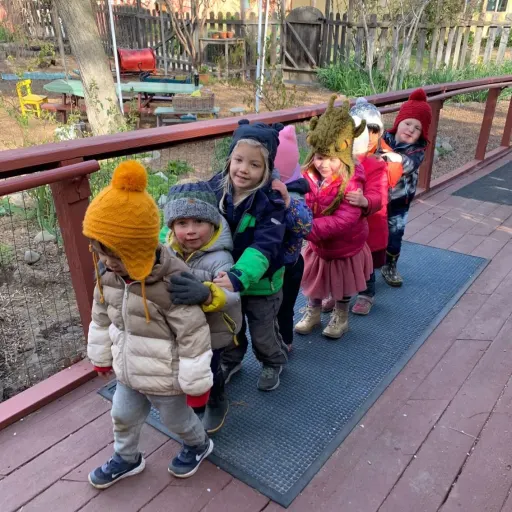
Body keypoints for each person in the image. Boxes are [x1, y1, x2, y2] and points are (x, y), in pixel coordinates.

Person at [84, 161, 214, 489]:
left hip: (166, 376)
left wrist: (196, 386)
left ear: (139, 248)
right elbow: (100, 315)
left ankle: (198, 444)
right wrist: (101, 356)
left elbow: (193, 334)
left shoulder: (171, 283)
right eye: (101, 251)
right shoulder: (109, 275)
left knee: (177, 420)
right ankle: (127, 458)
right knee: (122, 416)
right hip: (129, 370)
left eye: (117, 254)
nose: (109, 261)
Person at [209, 119, 288, 392]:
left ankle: (273, 360)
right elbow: (188, 211)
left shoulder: (271, 203)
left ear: (267, 170)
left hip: (261, 283)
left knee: (262, 331)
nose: (243, 169)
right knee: (230, 326)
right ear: (230, 159)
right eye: (238, 160)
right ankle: (232, 359)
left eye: (254, 165)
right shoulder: (216, 190)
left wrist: (239, 276)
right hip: (226, 279)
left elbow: (265, 245)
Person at [161, 179, 242, 435]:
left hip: (214, 327)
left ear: (213, 223)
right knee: (185, 363)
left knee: (209, 365)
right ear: (172, 226)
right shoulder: (167, 251)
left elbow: (232, 295)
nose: (191, 230)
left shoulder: (221, 257)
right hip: (183, 327)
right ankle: (194, 395)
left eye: (199, 222)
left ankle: (217, 399)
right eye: (182, 223)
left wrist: (207, 293)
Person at [294, 95, 373, 339]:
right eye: (319, 157)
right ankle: (314, 312)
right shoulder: (306, 176)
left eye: (331, 159)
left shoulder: (351, 182)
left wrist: (307, 226)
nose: (323, 164)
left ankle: (341, 316)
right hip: (318, 246)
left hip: (343, 247)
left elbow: (345, 219)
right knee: (314, 281)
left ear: (345, 154)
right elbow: (299, 202)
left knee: (341, 285)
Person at [380, 88, 432, 287]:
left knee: (395, 236)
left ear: (421, 133)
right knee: (373, 233)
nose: (410, 129)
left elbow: (406, 165)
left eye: (416, 128)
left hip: (399, 203)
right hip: (378, 199)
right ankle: (371, 263)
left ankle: (390, 265)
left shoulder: (417, 150)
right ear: (398, 122)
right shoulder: (384, 139)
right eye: (407, 123)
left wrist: (388, 156)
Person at [272, 125, 313, 351]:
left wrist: (286, 200)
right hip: (266, 265)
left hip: (289, 264)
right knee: (267, 308)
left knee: (284, 307)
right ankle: (270, 342)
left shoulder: (295, 195)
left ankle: (285, 341)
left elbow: (305, 226)